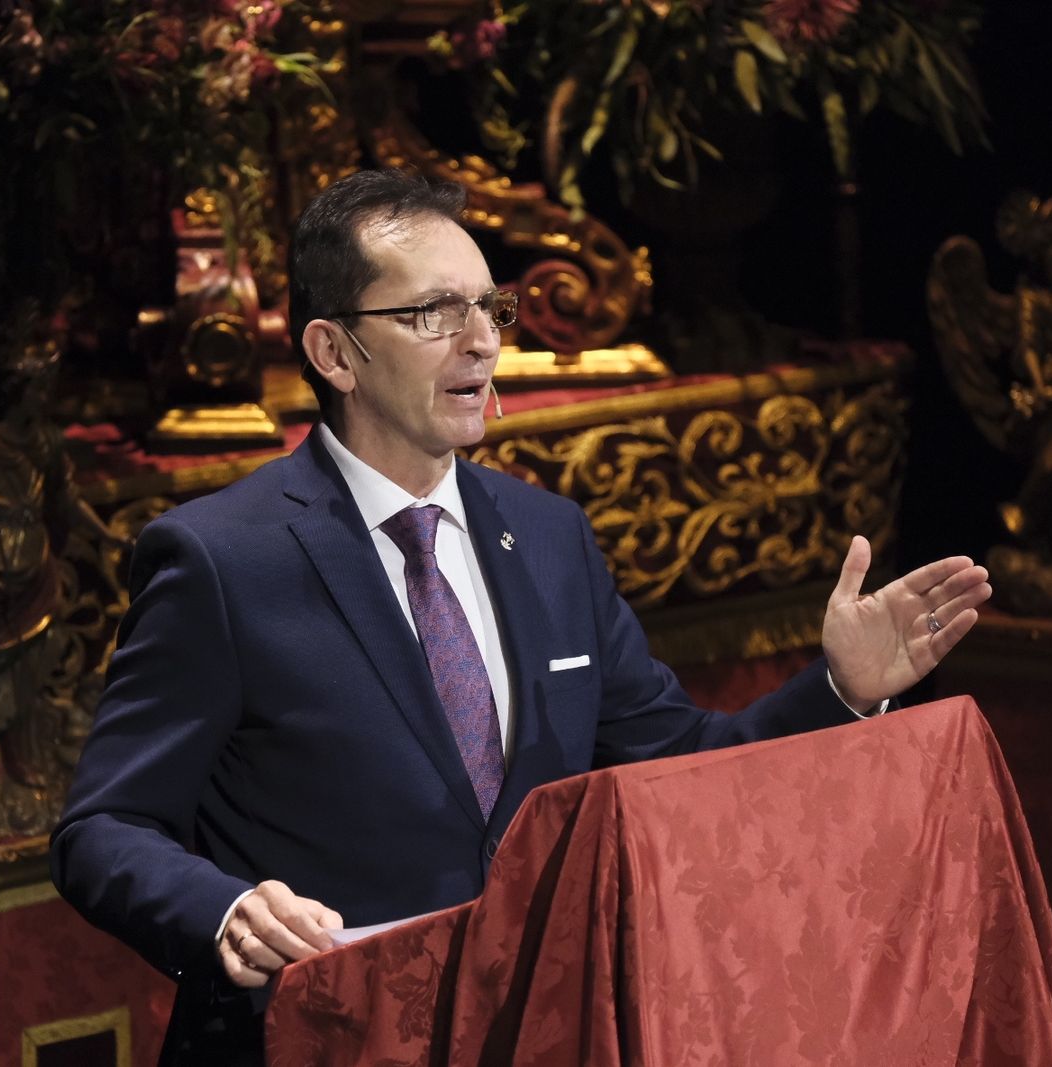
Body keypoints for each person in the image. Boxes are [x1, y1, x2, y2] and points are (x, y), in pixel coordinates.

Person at [51, 170, 991, 1064]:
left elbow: (678, 766)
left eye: (488, 307)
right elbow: (103, 829)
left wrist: (839, 691)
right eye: (432, 313)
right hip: (318, 1037)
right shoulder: (221, 559)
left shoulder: (549, 539)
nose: (481, 341)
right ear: (334, 352)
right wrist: (223, 910)